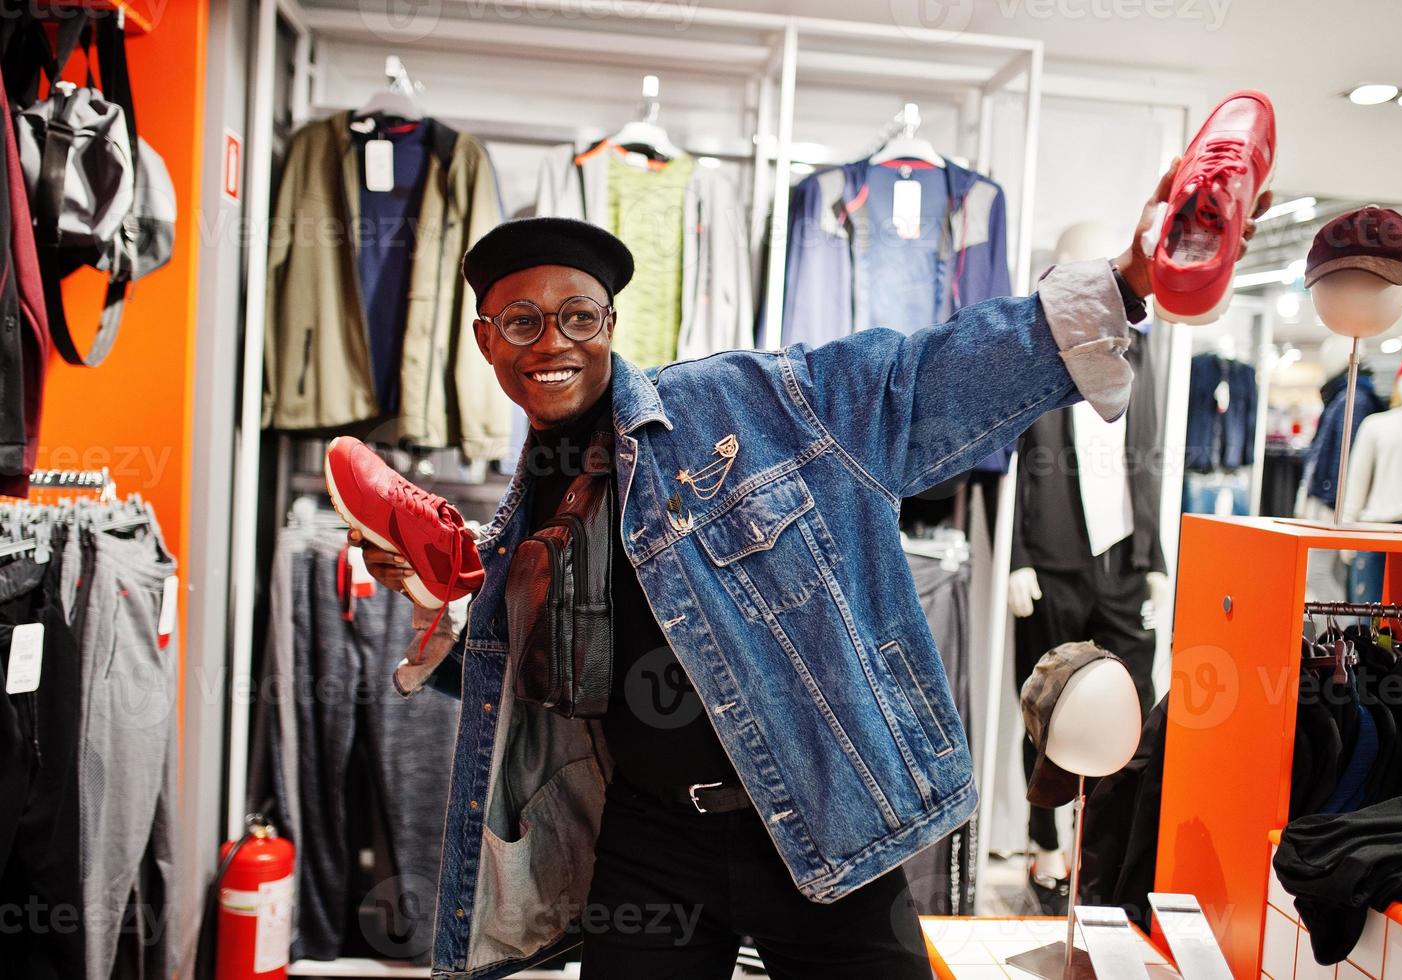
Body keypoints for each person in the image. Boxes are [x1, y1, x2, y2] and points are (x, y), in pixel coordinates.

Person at [351, 162, 1269, 979]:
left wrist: (1129, 280)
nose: (551, 341)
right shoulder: (527, 507)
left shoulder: (750, 401)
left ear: (611, 324)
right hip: (651, 839)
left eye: (577, 315)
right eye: (521, 321)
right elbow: (543, 685)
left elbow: (920, 380)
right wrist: (455, 602)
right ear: (484, 341)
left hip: (820, 814)